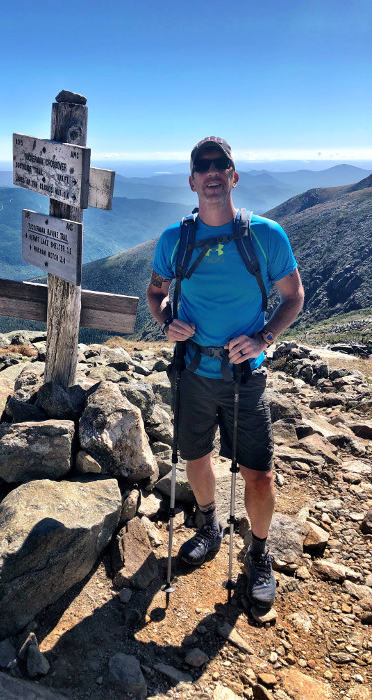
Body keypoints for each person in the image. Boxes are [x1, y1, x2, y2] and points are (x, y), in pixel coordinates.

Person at [146, 136, 304, 608]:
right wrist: (164, 322)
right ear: (192, 180)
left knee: (258, 476)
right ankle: (211, 525)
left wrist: (264, 339)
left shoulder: (266, 236)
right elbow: (156, 294)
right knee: (195, 458)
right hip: (193, 370)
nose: (212, 172)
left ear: (234, 176)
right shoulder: (176, 239)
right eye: (203, 165)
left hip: (245, 376)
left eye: (221, 164)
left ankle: (258, 553)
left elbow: (293, 296)